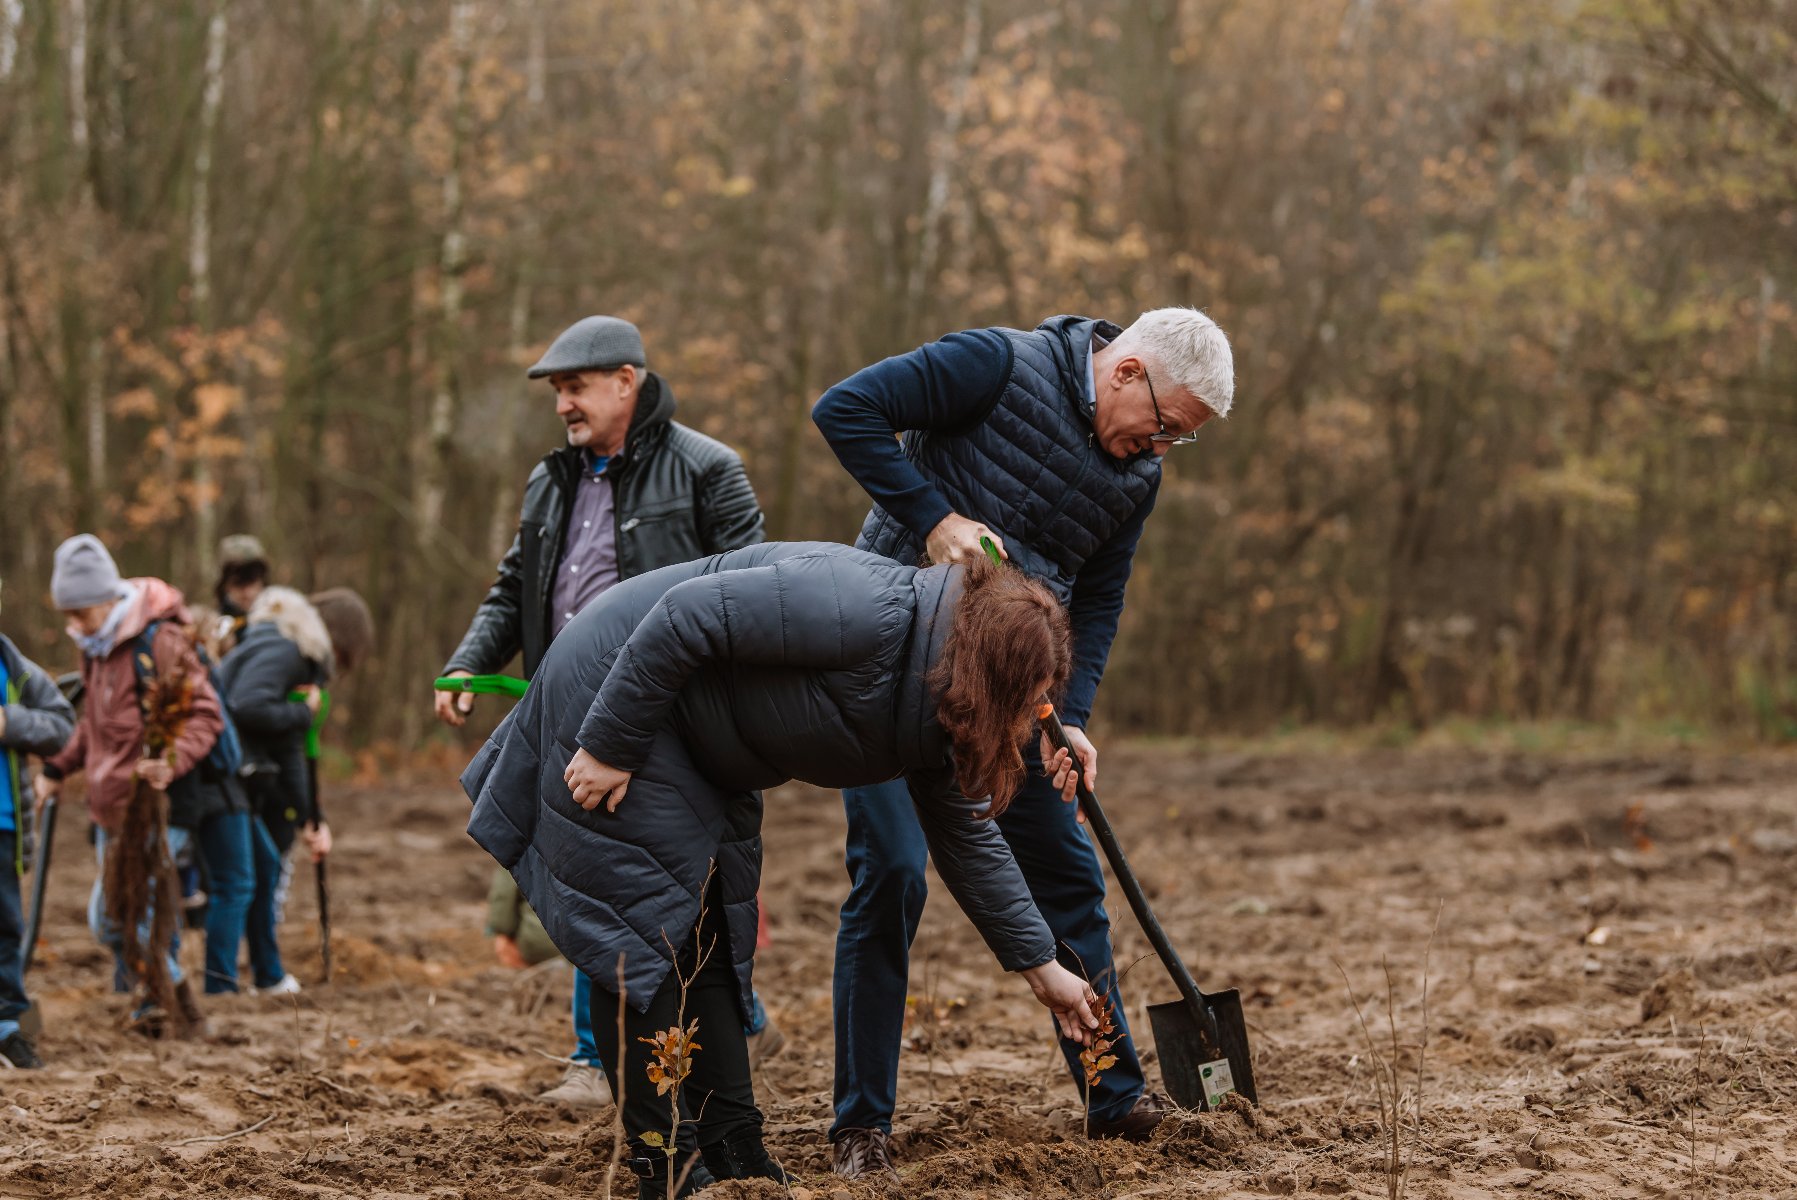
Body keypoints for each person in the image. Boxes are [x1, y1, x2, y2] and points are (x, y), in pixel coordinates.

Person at [464, 543, 1102, 1199]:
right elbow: (686, 613)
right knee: (641, 935)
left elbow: (970, 839)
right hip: (618, 695)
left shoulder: (943, 702)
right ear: (986, 672)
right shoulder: (862, 608)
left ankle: (736, 1152)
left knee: (714, 930)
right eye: (1023, 703)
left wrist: (1040, 966)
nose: (1027, 723)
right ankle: (669, 1167)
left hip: (710, 747)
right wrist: (609, 742)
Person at [811, 307, 1235, 1172]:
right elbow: (843, 410)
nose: (1157, 451)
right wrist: (932, 519)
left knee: (1069, 878)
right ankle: (861, 1126)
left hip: (1013, 694)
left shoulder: (1133, 481)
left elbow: (1101, 597)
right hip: (889, 665)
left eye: (1176, 443)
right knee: (891, 874)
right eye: (1162, 428)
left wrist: (1072, 713)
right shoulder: (993, 366)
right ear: (1126, 373)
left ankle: (1113, 1100)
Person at [437, 314, 772, 1107]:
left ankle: (737, 1016)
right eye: (557, 391)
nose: (563, 405)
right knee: (590, 876)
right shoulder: (548, 481)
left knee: (689, 882)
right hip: (569, 713)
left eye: (575, 387)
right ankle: (596, 1061)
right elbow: (515, 586)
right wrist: (467, 661)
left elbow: (753, 590)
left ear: (627, 381)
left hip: (671, 718)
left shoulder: (707, 470)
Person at [38, 534, 224, 1036]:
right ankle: (160, 1006)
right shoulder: (95, 651)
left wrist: (170, 759)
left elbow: (206, 716)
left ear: (105, 597)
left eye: (80, 613)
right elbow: (91, 729)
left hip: (155, 807)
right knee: (133, 918)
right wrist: (57, 769)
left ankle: (179, 1005)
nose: (73, 625)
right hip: (107, 812)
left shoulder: (158, 642)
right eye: (67, 614)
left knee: (115, 918)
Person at [217, 586, 334, 995]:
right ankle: (223, 983)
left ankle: (265, 975)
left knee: (260, 869)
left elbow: (286, 749)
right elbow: (247, 705)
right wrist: (303, 712)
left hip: (228, 777)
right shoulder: (283, 652)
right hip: (221, 779)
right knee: (241, 879)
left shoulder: (257, 647)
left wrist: (309, 818)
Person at [0, 579, 78, 1068]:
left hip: (3, 825)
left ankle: (12, 1026)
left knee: (7, 927)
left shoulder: (12, 666)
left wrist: (10, 723)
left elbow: (63, 725)